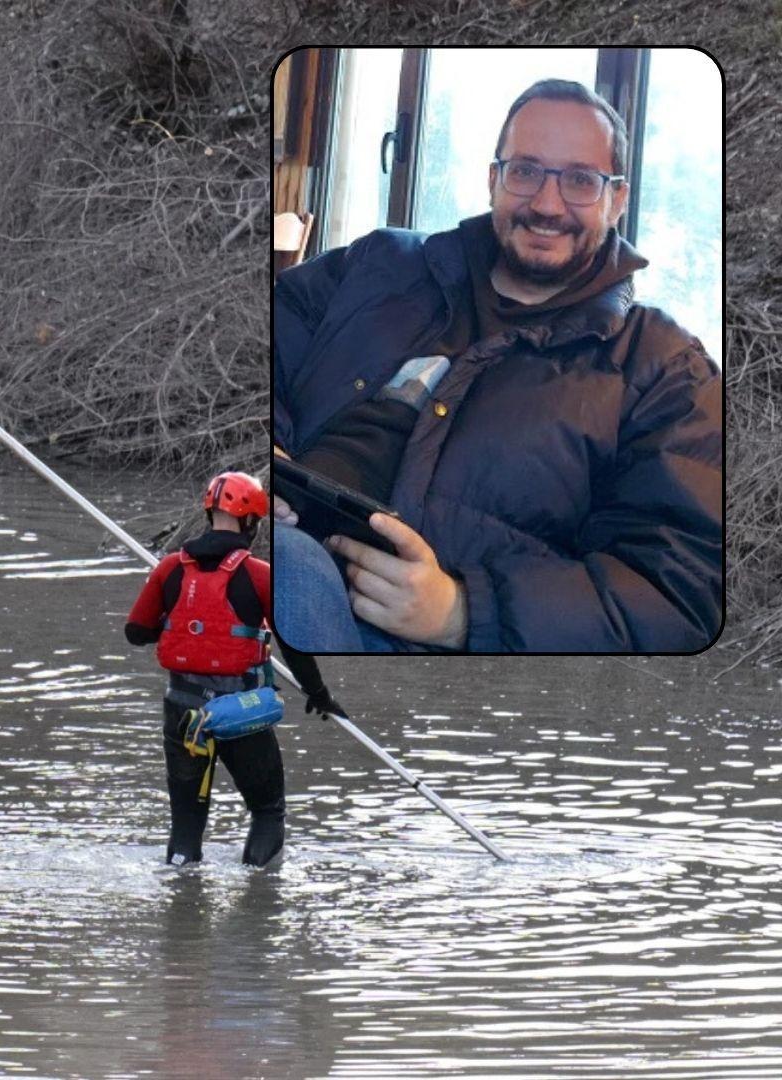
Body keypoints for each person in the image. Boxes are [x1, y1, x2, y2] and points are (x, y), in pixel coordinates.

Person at [273, 78, 722, 653]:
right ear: (494, 179)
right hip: (258, 539)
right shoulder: (378, 263)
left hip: (393, 644)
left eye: (581, 181)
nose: (547, 204)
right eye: (526, 170)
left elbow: (678, 596)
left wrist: (465, 612)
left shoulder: (668, 371)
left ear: (618, 199)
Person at [126, 472, 342, 868]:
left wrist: (179, 623)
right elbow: (295, 648)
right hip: (241, 711)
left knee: (186, 828)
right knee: (267, 811)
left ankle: (181, 901)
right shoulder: (260, 575)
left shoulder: (170, 569)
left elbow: (135, 632)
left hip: (182, 711)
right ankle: (261, 903)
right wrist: (318, 693)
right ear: (252, 521)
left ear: (209, 513)